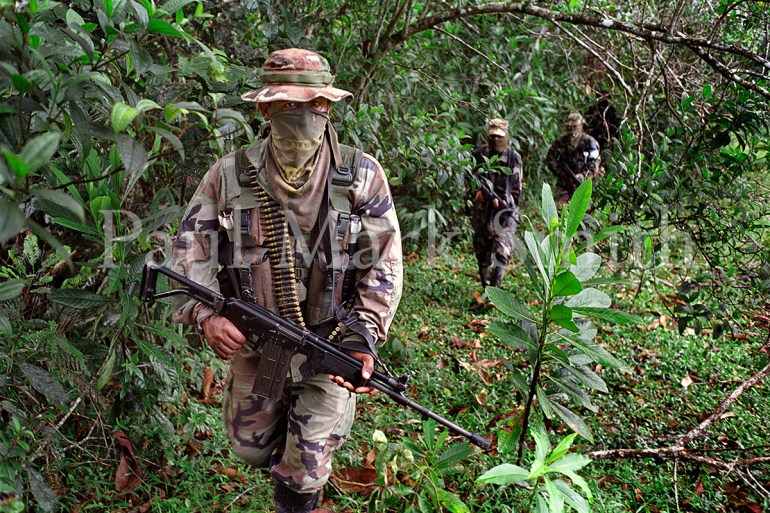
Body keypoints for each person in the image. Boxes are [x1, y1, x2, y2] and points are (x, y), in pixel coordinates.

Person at [169, 48, 403, 513]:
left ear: (329, 107)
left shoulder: (360, 175)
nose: (305, 116)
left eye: (314, 105)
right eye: (289, 105)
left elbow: (385, 264)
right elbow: (188, 253)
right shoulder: (231, 175)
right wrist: (206, 315)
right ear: (264, 108)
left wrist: (362, 336)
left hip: (329, 347)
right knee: (248, 447)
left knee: (304, 471)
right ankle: (291, 450)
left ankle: (303, 479)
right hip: (257, 344)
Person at [470, 118, 522, 305]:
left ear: (506, 136)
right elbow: (469, 181)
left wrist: (504, 205)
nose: (495, 140)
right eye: (492, 136)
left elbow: (516, 190)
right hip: (482, 213)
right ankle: (487, 288)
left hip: (505, 213)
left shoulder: (512, 157)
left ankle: (496, 290)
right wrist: (477, 193)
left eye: (499, 137)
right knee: (482, 250)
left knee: (502, 250)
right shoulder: (478, 154)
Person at [546, 112, 601, 206]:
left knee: (583, 214)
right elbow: (550, 159)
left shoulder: (590, 142)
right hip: (564, 185)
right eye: (569, 127)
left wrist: (583, 176)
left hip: (584, 185)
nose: (572, 130)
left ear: (581, 126)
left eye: (575, 127)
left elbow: (594, 164)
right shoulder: (560, 142)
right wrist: (560, 172)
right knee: (558, 212)